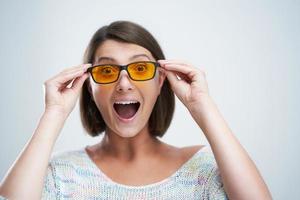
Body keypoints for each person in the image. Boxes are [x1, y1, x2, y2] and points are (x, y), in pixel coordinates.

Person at [0, 21, 272, 199]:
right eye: (106, 71)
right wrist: (54, 112)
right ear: (89, 86)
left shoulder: (204, 169)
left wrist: (203, 105)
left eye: (140, 68)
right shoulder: (61, 173)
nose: (124, 84)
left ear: (160, 80)